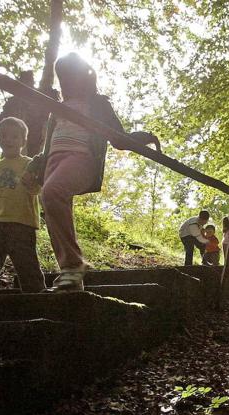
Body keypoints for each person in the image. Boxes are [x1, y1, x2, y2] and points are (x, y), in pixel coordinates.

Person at [24, 52, 160, 291]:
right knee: (51, 200)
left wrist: (146, 138)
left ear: (83, 77)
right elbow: (48, 145)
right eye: (63, 77)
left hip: (81, 159)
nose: (67, 82)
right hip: (55, 161)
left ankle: (73, 266)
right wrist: (36, 165)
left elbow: (119, 139)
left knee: (52, 193)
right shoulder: (58, 107)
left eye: (71, 76)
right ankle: (71, 276)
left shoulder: (97, 103)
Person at [0, 117, 45, 295]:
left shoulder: (29, 163)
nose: (8, 140)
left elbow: (37, 189)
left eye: (14, 137)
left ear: (23, 141)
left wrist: (31, 182)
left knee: (25, 258)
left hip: (22, 222)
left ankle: (35, 291)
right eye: (4, 136)